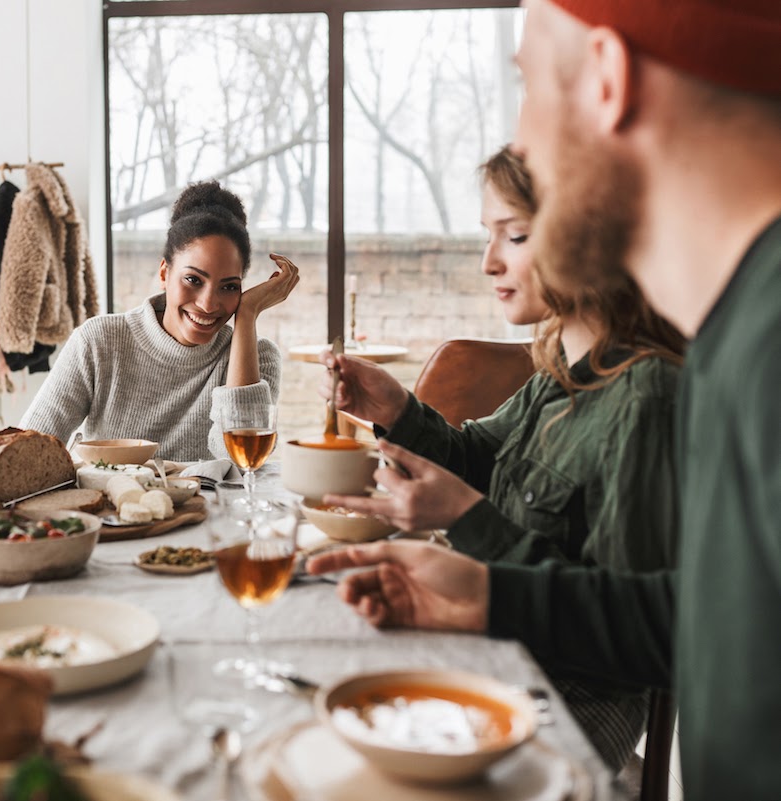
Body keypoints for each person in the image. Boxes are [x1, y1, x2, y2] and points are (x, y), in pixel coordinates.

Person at [309, 1, 781, 797]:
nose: (521, 142)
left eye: (527, 82)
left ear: (608, 78)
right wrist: (489, 592)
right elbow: (703, 624)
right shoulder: (735, 337)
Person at [319, 145, 684, 769]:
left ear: (584, 234)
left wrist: (468, 520)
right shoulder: (557, 368)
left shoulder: (646, 393)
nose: (489, 263)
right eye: (489, 237)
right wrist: (396, 409)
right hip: (496, 644)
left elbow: (633, 626)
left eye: (514, 236)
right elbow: (477, 455)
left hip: (572, 690)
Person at [20, 181, 299, 461]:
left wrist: (247, 313)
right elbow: (27, 453)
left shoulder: (259, 356)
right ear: (164, 273)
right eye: (193, 279)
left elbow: (243, 461)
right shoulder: (98, 341)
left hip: (214, 507)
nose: (208, 304)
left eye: (228, 287)